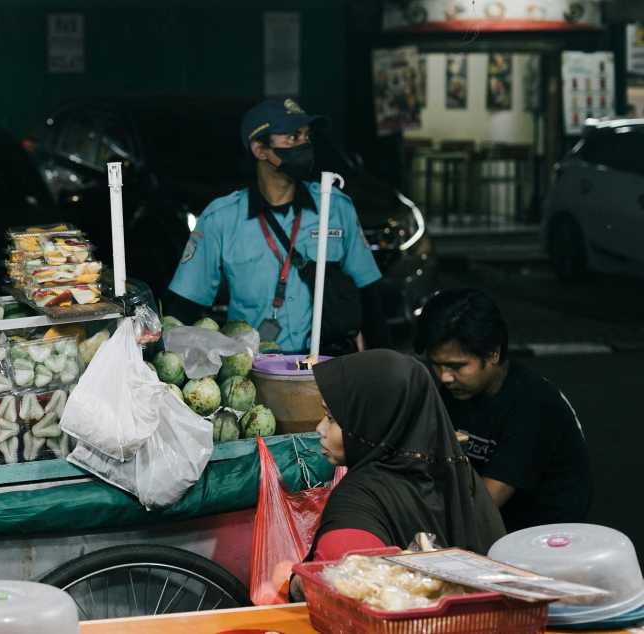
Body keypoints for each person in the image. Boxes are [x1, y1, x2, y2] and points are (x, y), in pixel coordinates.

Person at [164, 98, 389, 354]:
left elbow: (370, 296)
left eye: (306, 136)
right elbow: (184, 306)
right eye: (292, 137)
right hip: (255, 371)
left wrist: (386, 367)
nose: (303, 144)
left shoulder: (335, 207)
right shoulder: (221, 219)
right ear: (260, 149)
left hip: (329, 365)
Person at [298, 350, 504, 572]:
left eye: (331, 418)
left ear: (370, 423)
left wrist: (296, 582)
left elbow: (345, 581)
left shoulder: (359, 499)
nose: (320, 428)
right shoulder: (458, 473)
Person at [414, 289, 592, 532]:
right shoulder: (457, 388)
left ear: (493, 353)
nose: (444, 377)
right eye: (437, 364)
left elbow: (485, 502)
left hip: (543, 537)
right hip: (493, 523)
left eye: (457, 366)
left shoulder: (534, 404)